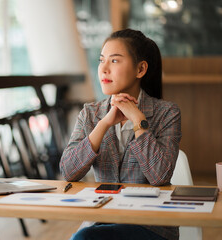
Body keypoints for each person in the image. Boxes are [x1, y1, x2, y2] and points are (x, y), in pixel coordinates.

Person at [59, 28, 182, 240]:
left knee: (84, 238)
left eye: (114, 61)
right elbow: (68, 171)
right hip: (102, 219)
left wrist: (138, 120)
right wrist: (104, 124)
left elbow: (160, 176)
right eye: (101, 60)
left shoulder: (167, 113)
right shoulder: (91, 113)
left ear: (140, 69)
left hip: (151, 226)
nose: (104, 69)